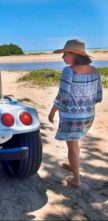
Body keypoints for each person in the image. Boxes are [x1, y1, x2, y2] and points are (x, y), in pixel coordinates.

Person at [48, 39, 103, 188]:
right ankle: (74, 165)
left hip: (71, 117)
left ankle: (76, 179)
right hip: (88, 116)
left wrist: (52, 112)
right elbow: (98, 96)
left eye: (65, 54)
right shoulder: (95, 70)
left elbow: (63, 96)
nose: (62, 57)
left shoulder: (69, 71)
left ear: (74, 55)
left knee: (72, 147)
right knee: (75, 143)